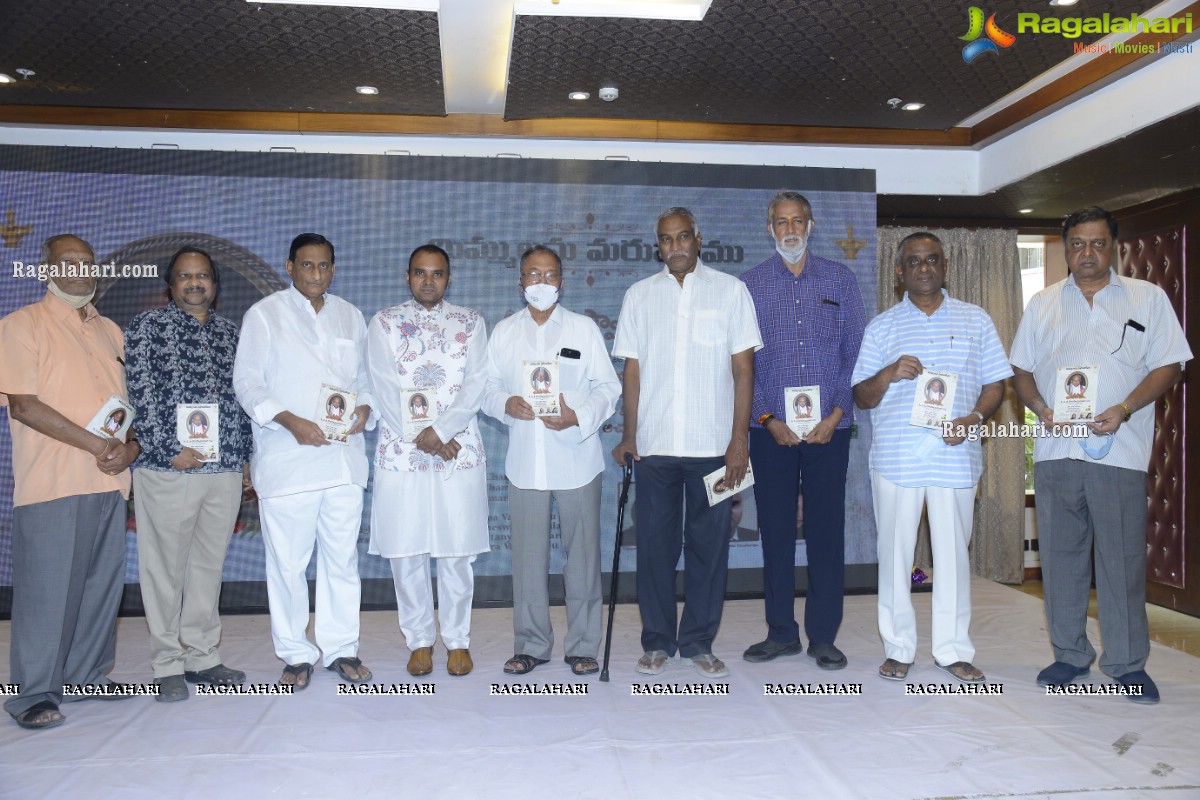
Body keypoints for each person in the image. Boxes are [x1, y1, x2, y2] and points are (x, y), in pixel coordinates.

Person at [1011, 206, 1191, 703]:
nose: (1086, 253)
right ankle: (1069, 655)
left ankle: (1129, 663)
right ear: (1066, 248)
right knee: (1063, 560)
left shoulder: (1147, 298)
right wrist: (1041, 409)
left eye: (1096, 243)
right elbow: (1021, 371)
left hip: (1120, 451)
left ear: (1113, 246)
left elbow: (1170, 365)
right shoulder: (1043, 303)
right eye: (1076, 245)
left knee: (1121, 561)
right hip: (1056, 449)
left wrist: (1126, 406)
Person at [852, 232, 1011, 683]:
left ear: (945, 266)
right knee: (896, 557)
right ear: (899, 272)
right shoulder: (881, 327)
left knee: (953, 558)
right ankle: (899, 648)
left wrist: (976, 417)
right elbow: (861, 397)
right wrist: (887, 373)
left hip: (954, 458)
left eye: (932, 260)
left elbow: (997, 384)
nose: (924, 268)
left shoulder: (976, 320)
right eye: (914, 261)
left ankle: (952, 650)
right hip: (898, 460)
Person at [612, 207, 762, 679]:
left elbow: (743, 371)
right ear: (657, 245)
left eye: (682, 237)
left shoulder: (731, 291)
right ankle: (657, 641)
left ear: (699, 238)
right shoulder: (639, 296)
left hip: (715, 450)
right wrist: (629, 434)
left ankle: (698, 640)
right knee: (655, 549)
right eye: (665, 240)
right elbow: (631, 371)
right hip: (655, 448)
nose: (674, 246)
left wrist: (738, 442)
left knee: (709, 549)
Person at [0, 234, 140, 730]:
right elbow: (24, 405)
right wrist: (97, 446)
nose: (81, 269)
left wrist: (129, 449)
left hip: (109, 482)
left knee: (99, 587)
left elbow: (129, 412)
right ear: (46, 270)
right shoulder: (21, 326)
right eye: (68, 262)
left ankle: (85, 677)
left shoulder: (111, 332)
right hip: (53, 482)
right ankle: (33, 694)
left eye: (87, 262)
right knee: (46, 591)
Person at [233, 233, 374, 689]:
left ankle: (340, 649)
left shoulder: (351, 316)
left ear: (334, 270)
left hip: (342, 462)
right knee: (289, 565)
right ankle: (295, 652)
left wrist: (365, 410)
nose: (316, 274)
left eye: (324, 266)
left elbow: (368, 380)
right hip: (288, 459)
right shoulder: (265, 315)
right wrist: (290, 420)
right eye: (307, 265)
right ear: (290, 267)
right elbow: (248, 384)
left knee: (341, 562)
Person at [738, 191, 866, 670]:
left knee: (827, 532)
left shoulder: (840, 279)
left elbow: (857, 355)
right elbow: (742, 363)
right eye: (781, 222)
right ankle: (780, 632)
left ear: (811, 226)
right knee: (773, 532)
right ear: (769, 229)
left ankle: (824, 637)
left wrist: (834, 415)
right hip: (770, 430)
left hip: (829, 430)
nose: (790, 229)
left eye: (798, 221)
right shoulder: (747, 286)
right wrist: (769, 420)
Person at [481, 245, 620, 677]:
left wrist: (578, 415)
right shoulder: (503, 332)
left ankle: (582, 646)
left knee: (581, 559)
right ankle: (532, 645)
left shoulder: (582, 330)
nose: (541, 283)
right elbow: (484, 389)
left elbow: (608, 389)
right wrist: (507, 403)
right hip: (526, 465)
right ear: (520, 281)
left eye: (550, 275)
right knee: (527, 560)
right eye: (533, 275)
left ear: (562, 282)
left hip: (577, 460)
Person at [125, 247, 254, 701]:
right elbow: (138, 389)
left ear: (214, 287)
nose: (194, 283)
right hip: (168, 468)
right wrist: (167, 447)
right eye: (184, 277)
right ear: (171, 285)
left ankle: (202, 656)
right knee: (164, 569)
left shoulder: (231, 335)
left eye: (202, 276)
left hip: (222, 470)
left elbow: (243, 401)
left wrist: (244, 458)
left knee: (207, 567)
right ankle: (167, 664)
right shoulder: (146, 328)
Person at [366, 244, 490, 678]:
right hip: (402, 453)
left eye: (437, 274)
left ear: (448, 278)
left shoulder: (470, 323)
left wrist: (443, 432)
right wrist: (425, 437)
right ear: (407, 276)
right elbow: (380, 385)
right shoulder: (384, 322)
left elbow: (477, 384)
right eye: (420, 273)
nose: (428, 281)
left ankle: (457, 641)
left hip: (459, 451)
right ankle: (419, 641)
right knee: (408, 551)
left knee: (456, 552)